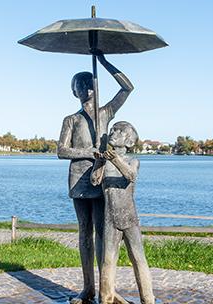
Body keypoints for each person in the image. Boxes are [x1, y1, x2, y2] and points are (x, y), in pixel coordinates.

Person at [57, 52, 133, 304]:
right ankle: (87, 288)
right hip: (79, 180)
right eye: (80, 85)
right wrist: (88, 152)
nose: (86, 87)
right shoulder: (71, 119)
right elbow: (61, 150)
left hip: (102, 181)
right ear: (74, 91)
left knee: (104, 233)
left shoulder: (106, 112)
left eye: (90, 83)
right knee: (84, 232)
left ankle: (106, 289)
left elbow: (127, 87)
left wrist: (103, 62)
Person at [91, 121, 155, 304]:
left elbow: (130, 175)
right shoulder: (105, 161)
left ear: (128, 141)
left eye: (119, 131)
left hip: (129, 218)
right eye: (113, 129)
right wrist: (99, 161)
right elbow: (95, 180)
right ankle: (105, 298)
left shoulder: (132, 161)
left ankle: (148, 299)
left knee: (138, 258)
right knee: (107, 260)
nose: (113, 133)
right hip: (110, 218)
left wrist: (115, 159)